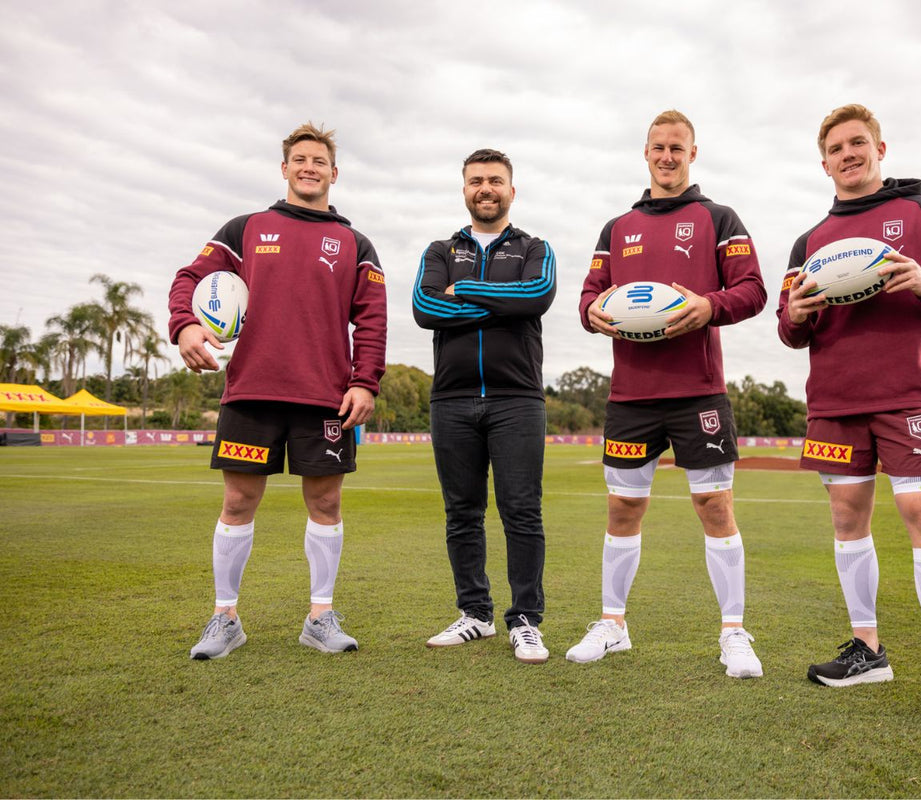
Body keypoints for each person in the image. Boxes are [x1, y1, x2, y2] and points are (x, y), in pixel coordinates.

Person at [777, 103, 921, 729]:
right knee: (848, 519)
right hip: (836, 404)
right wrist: (795, 311)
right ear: (823, 163)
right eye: (836, 148)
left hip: (910, 396)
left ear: (880, 149)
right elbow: (792, 332)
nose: (848, 154)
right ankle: (867, 650)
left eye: (858, 143)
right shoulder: (809, 241)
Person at [168, 122, 387, 660]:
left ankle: (320, 616)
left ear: (334, 174)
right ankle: (225, 618)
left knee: (327, 502)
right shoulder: (244, 228)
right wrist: (185, 325)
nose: (309, 167)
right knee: (239, 501)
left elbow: (373, 320)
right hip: (252, 392)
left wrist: (365, 381)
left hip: (325, 398)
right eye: (300, 159)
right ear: (284, 168)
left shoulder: (355, 242)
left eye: (319, 161)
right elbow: (188, 280)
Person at [571, 110, 768, 678]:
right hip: (631, 395)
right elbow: (590, 295)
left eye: (676, 147)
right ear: (645, 153)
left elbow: (752, 290)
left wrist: (710, 306)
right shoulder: (618, 227)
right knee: (622, 508)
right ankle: (613, 624)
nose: (666, 156)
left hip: (698, 392)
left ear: (693, 153)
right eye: (657, 147)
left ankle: (733, 632)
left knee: (715, 507)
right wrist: (592, 314)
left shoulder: (719, 218)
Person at [412, 149, 557, 664]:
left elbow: (536, 296)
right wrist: (499, 299)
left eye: (495, 180)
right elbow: (424, 307)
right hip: (451, 400)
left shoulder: (536, 247)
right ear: (465, 190)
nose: (486, 188)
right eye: (476, 181)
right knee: (462, 514)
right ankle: (476, 614)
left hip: (516, 398)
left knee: (522, 512)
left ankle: (525, 621)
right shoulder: (439, 248)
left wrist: (464, 292)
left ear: (511, 190)